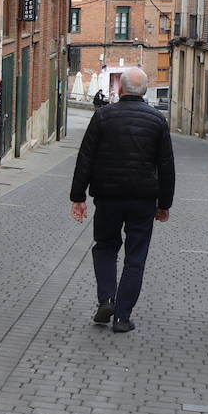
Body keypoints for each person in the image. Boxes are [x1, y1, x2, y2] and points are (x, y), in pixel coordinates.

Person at [69, 66, 175, 333]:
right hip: (142, 199)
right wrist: (164, 204)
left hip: (108, 197)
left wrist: (78, 196)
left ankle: (106, 298)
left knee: (105, 247)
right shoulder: (157, 121)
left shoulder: (103, 116)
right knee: (135, 258)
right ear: (144, 91)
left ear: (120, 89)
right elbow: (166, 167)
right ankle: (122, 317)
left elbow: (86, 157)